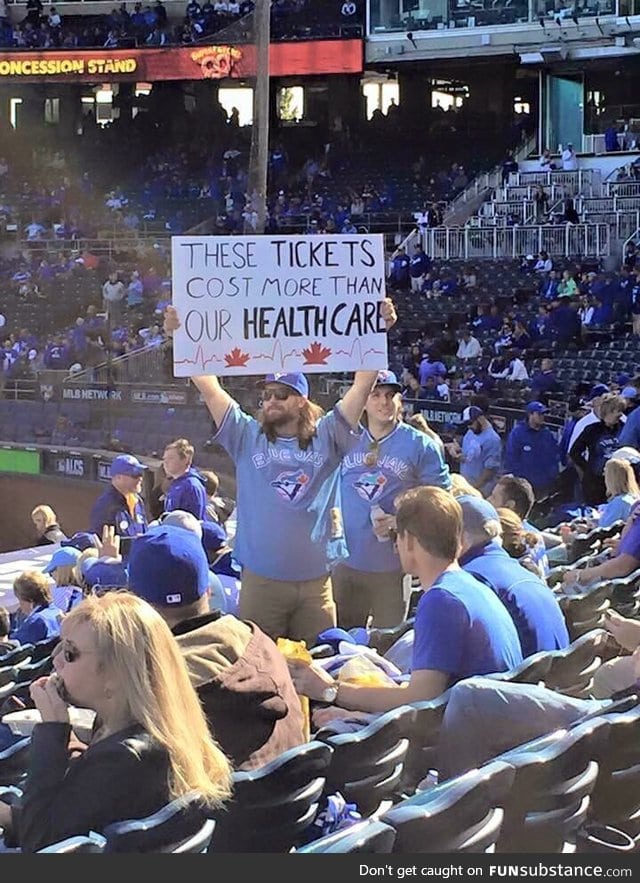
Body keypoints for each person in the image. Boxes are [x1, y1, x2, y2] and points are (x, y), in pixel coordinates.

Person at [163, 301, 397, 649]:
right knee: (259, 670)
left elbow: (363, 385)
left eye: (281, 395)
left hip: (317, 585)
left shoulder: (329, 436)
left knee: (320, 665)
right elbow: (209, 386)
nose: (270, 400)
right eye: (267, 394)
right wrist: (182, 338)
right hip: (261, 584)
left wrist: (376, 332)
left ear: (301, 400)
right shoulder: (246, 435)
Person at [0, 592, 232, 852]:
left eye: (69, 652)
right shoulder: (156, 727)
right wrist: (9, 816)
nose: (55, 661)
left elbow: (40, 844)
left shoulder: (124, 758)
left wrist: (53, 728)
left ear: (115, 676)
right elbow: (72, 814)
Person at [288, 487, 522, 715]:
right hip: (489, 725)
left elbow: (420, 702)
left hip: (470, 740)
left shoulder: (442, 600)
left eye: (395, 535)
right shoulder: (470, 586)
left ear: (409, 540)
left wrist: (330, 691)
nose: (396, 545)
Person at [127, 525, 306, 771]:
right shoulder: (260, 640)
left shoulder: (156, 679)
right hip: (295, 796)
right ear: (208, 590)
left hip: (224, 807)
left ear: (134, 603)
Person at [334, 370, 451, 630]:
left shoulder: (420, 445)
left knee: (387, 642)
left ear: (400, 401)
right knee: (342, 640)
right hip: (345, 562)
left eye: (390, 395)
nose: (384, 402)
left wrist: (402, 520)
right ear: (363, 400)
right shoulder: (344, 439)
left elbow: (443, 503)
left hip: (392, 566)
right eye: (375, 395)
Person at [457, 496, 569, 658]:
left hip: (529, 678)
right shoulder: (522, 570)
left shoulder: (471, 578)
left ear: (462, 537)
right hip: (553, 675)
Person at [570, 394, 626, 505]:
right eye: (616, 410)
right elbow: (574, 452)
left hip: (618, 482)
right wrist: (588, 469)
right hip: (595, 482)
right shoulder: (592, 430)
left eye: (621, 411)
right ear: (607, 411)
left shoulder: (624, 428)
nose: (620, 414)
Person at [504, 401, 560, 499]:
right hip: (524, 486)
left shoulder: (547, 434)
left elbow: (553, 457)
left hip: (543, 486)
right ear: (530, 414)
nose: (542, 417)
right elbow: (511, 458)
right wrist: (519, 480)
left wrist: (552, 476)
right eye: (539, 414)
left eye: (543, 414)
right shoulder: (518, 433)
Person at [90, 453, 148, 538]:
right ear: (118, 478)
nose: (140, 479)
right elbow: (100, 541)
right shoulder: (105, 506)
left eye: (140, 474)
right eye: (135, 475)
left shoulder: (137, 501)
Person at [454, 405, 502, 496]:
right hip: (466, 486)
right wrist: (458, 455)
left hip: (481, 491)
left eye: (470, 423)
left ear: (480, 419)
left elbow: (490, 471)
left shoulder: (492, 439)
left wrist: (473, 489)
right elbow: (469, 455)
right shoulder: (470, 432)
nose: (469, 427)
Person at [10, 570, 63, 645]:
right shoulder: (57, 612)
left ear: (30, 600)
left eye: (20, 600)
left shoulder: (36, 622)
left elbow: (12, 646)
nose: (20, 605)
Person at [162, 438, 209, 521]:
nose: (165, 462)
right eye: (164, 459)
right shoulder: (176, 483)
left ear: (185, 460)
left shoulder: (191, 486)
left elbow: (193, 522)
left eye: (170, 458)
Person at [42, 546, 84, 613]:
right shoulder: (89, 593)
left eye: (51, 571)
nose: (51, 575)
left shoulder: (55, 594)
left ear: (62, 572)